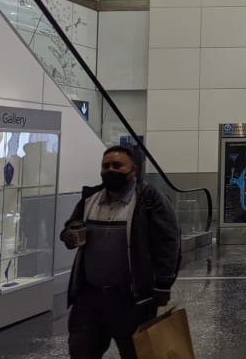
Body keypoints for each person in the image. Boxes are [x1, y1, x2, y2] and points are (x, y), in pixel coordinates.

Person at [61, 145, 181, 359]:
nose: (110, 170)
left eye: (117, 165)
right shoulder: (90, 199)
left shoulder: (149, 200)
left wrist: (163, 285)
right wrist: (70, 234)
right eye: (105, 166)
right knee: (81, 352)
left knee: (136, 353)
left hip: (132, 301)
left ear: (133, 170)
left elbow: (168, 242)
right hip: (90, 300)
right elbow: (70, 229)